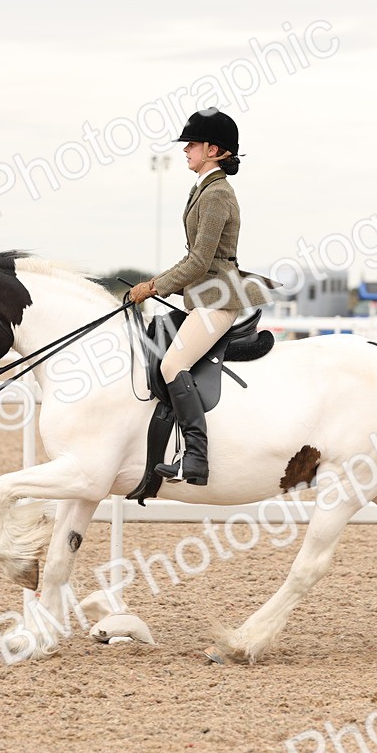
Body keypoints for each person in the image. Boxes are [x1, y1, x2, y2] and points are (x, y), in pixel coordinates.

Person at [129, 108, 273, 486]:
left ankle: (195, 456)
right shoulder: (204, 189)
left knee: (171, 365)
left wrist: (154, 287)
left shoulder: (217, 194)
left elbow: (198, 262)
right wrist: (156, 281)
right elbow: (192, 259)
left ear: (213, 149)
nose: (186, 150)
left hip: (217, 299)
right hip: (203, 297)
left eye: (192, 144)